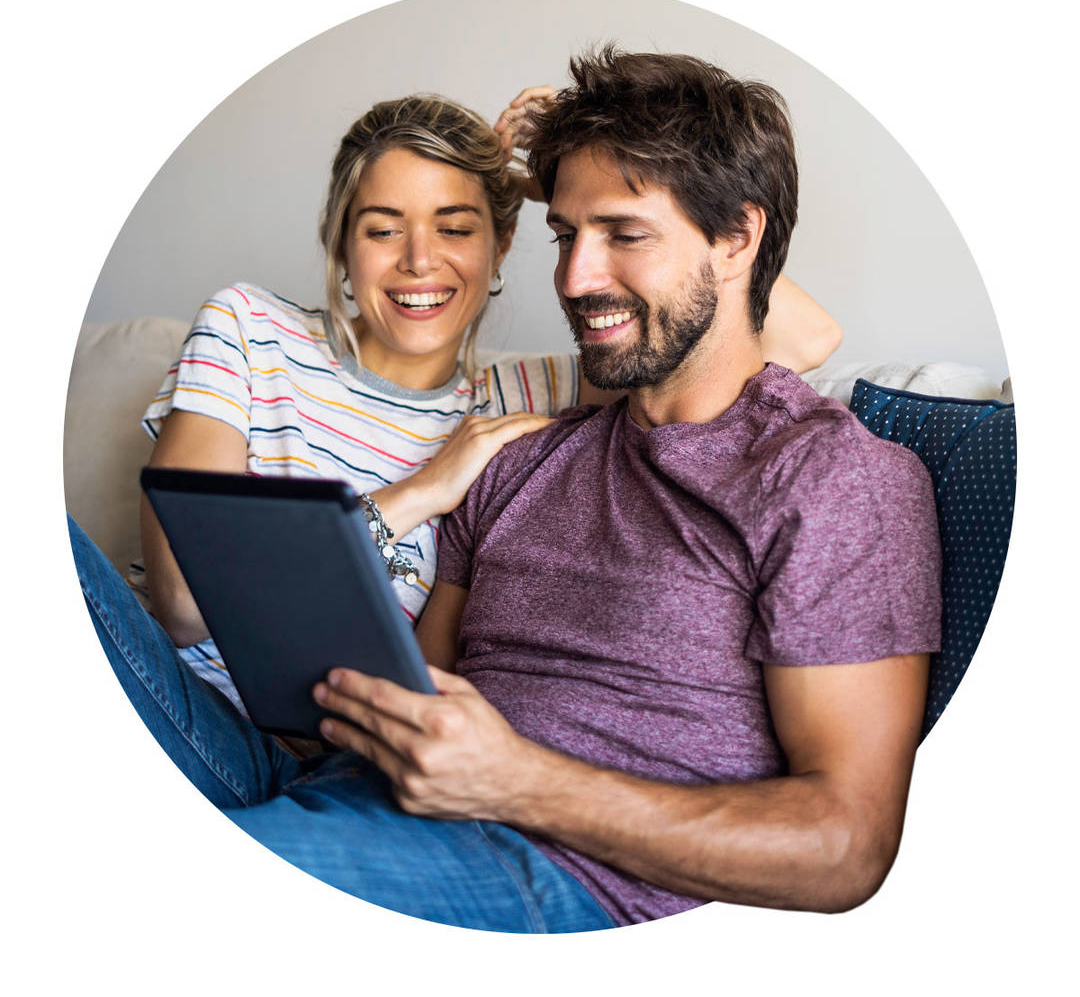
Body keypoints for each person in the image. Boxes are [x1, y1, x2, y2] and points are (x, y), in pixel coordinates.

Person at [67, 50, 925, 932]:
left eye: (622, 233)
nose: (575, 278)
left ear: (739, 238)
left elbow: (848, 847)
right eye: (566, 234)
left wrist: (516, 778)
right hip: (341, 777)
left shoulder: (830, 478)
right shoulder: (515, 455)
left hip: (542, 858)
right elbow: (406, 680)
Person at [134, 91, 841, 711]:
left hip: (343, 760)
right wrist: (422, 492)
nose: (418, 260)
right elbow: (184, 605)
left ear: (502, 244)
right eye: (382, 228)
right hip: (183, 704)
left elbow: (807, 335)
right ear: (341, 243)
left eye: (456, 228)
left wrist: (567, 186)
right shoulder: (250, 330)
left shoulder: (528, 399)